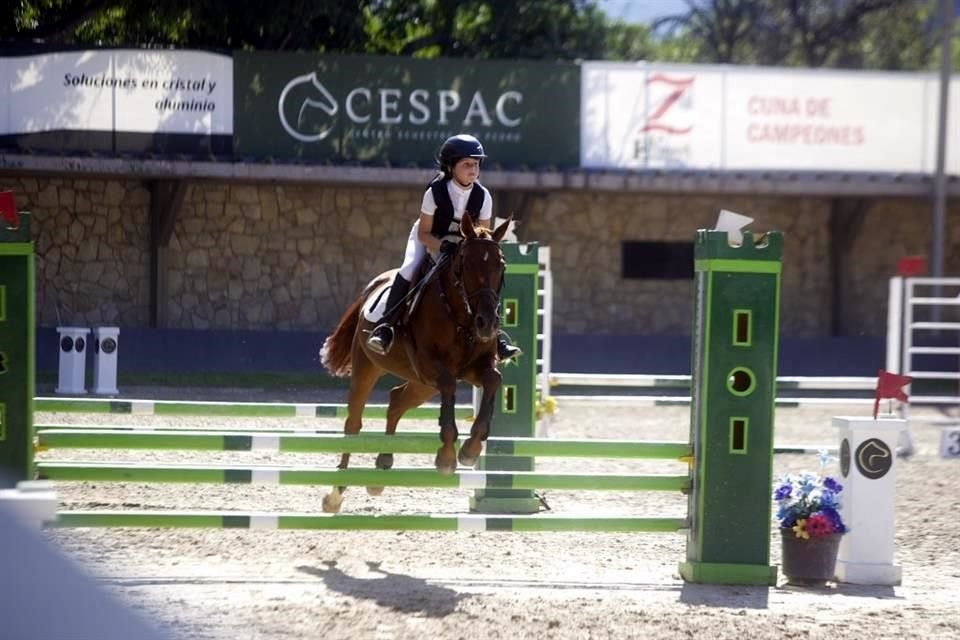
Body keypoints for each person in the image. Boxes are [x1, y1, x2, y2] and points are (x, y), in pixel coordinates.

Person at [366, 133, 522, 362]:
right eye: (467, 164)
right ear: (451, 167)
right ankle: (385, 328)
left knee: (484, 279)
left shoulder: (483, 196)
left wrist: (463, 248)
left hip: (464, 247)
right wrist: (442, 245)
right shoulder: (435, 192)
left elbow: (481, 236)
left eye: (476, 164)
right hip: (430, 239)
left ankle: (496, 336)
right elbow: (424, 233)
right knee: (409, 268)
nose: (473, 170)